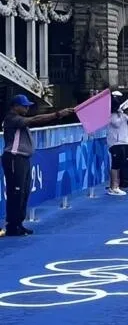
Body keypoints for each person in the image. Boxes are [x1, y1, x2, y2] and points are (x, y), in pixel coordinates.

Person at [1, 95, 75, 236]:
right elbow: (34, 120)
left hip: (22, 158)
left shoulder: (17, 119)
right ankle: (12, 225)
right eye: (24, 106)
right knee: (16, 192)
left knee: (23, 191)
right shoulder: (12, 118)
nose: (27, 108)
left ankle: (18, 223)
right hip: (14, 158)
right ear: (15, 106)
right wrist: (58, 114)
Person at [106, 95, 128, 196]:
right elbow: (116, 124)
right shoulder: (113, 115)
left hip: (123, 141)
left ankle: (116, 186)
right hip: (115, 142)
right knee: (115, 164)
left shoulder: (123, 115)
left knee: (119, 164)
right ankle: (113, 187)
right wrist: (122, 113)